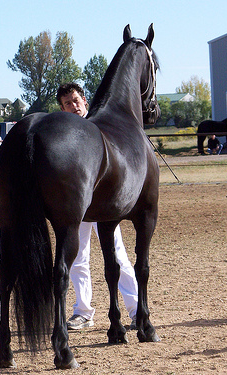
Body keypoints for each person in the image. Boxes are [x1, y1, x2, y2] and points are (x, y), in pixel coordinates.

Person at [56, 82, 139, 330]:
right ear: (62, 109)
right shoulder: (64, 134)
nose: (73, 106)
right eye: (67, 104)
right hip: (78, 206)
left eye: (75, 100)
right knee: (78, 258)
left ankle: (136, 310)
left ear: (85, 101)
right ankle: (83, 311)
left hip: (104, 205)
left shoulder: (100, 126)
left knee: (118, 257)